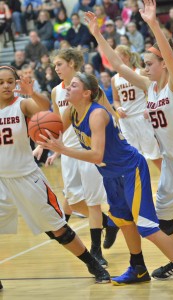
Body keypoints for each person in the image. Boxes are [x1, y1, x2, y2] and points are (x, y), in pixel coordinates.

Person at [37, 69, 173, 299]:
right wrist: (41, 143)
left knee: (147, 228)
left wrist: (62, 150)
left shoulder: (97, 114)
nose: (68, 88)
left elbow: (96, 155)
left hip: (129, 170)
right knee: (124, 222)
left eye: (73, 85)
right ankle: (138, 268)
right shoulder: (71, 111)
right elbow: (53, 130)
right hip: (110, 174)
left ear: (86, 93)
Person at [84, 1, 173, 296]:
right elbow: (118, 65)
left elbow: (170, 55)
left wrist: (153, 25)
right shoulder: (150, 88)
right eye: (145, 64)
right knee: (164, 217)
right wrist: (97, 35)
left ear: (163, 64)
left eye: (150, 63)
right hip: (172, 164)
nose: (145, 67)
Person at [0, 65, 110, 287]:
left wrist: (32, 93)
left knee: (57, 226)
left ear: (15, 83)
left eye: (10, 81)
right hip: (1, 179)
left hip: (26, 176)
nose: (6, 86)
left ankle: (92, 263)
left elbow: (43, 109)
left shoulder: (21, 104)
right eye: (1, 82)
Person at [34, 48, 119, 262]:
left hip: (88, 149)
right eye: (55, 66)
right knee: (73, 201)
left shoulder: (89, 86)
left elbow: (108, 113)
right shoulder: (56, 91)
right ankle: (110, 223)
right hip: (68, 152)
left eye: (59, 64)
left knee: (92, 202)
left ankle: (96, 252)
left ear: (72, 63)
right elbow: (56, 124)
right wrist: (45, 146)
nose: (56, 69)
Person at [111, 45, 161, 170]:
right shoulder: (114, 79)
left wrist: (149, 107)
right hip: (126, 121)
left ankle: (168, 181)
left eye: (117, 56)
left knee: (154, 154)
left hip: (142, 117)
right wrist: (118, 108)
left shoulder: (140, 72)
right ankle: (139, 185)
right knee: (133, 155)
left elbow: (153, 92)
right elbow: (116, 100)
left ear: (126, 56)